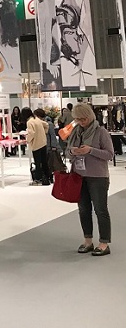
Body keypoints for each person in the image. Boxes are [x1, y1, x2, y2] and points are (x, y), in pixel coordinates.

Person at [67, 104, 113, 256]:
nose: (81, 122)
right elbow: (67, 152)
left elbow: (109, 154)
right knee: (83, 210)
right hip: (79, 176)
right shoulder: (75, 132)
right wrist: (73, 151)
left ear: (90, 116)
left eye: (83, 118)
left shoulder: (101, 132)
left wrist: (90, 150)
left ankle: (104, 243)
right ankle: (88, 241)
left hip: (98, 177)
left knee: (100, 209)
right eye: (78, 119)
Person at [24, 107, 50, 186]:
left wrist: (27, 140)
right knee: (44, 162)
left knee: (37, 163)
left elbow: (31, 133)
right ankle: (48, 177)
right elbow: (46, 125)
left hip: (36, 144)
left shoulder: (29, 122)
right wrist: (43, 133)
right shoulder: (37, 119)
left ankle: (38, 179)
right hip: (43, 142)